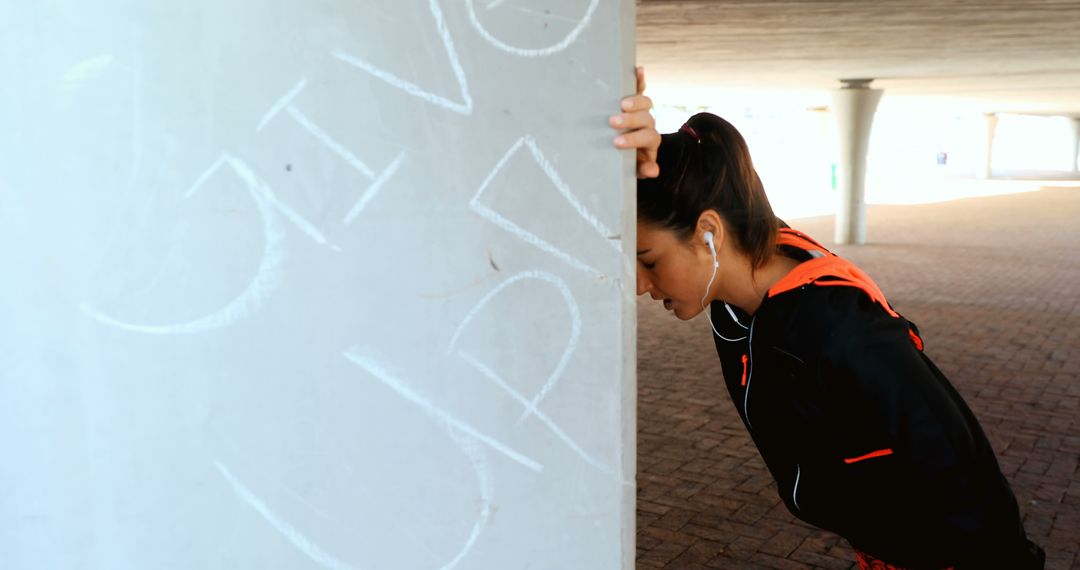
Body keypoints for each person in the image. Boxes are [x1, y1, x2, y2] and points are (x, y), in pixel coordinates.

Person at [610, 70, 1045, 569]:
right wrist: (624, 147)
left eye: (648, 259)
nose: (641, 284)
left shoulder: (838, 331)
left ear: (709, 232)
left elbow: (955, 462)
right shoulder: (749, 276)